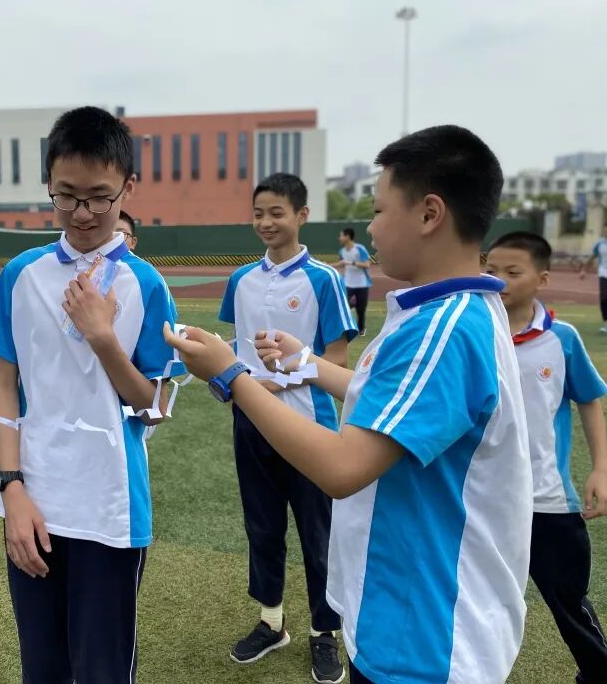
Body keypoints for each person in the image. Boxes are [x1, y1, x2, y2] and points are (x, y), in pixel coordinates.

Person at [166, 125, 531, 684]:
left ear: (429, 213)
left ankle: (318, 630)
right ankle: (279, 619)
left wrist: (231, 374)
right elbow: (388, 399)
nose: (371, 227)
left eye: (380, 210)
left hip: (425, 638)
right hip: (412, 616)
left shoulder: (443, 329)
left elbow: (342, 469)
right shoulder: (457, 312)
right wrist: (308, 362)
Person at [0, 106, 181, 683]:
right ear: (49, 185)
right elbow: (5, 384)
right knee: (42, 669)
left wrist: (104, 339)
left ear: (128, 188)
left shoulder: (146, 284)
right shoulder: (22, 273)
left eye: (99, 197)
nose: (82, 213)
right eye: (66, 196)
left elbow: (155, 408)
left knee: (102, 671)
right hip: (33, 504)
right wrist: (12, 488)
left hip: (110, 511)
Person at [218, 173, 354, 682]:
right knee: (262, 525)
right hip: (252, 423)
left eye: (276, 213)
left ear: (301, 215)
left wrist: (273, 382)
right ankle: (272, 622)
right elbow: (236, 349)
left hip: (309, 424)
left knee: (319, 533)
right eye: (258, 213)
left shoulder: (324, 279)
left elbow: (337, 359)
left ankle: (325, 631)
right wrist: (231, 381)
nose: (266, 222)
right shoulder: (241, 280)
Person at [485, 231, 607, 684]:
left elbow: (589, 399)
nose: (499, 280)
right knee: (480, 600)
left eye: (512, 272)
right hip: (484, 502)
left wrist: (601, 468)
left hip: (547, 501)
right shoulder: (475, 333)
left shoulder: (563, 339)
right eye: (491, 270)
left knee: (568, 600)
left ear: (542, 278)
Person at [334, 227, 373, 336]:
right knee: (343, 307)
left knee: (361, 310)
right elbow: (342, 263)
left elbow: (367, 264)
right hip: (348, 284)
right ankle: (344, 329)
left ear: (347, 236)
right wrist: (327, 265)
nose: (339, 238)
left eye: (341, 236)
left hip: (362, 284)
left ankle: (361, 330)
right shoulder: (342, 251)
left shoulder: (359, 248)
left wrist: (351, 263)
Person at [578, 224, 607, 333]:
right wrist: (584, 270)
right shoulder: (600, 244)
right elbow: (592, 257)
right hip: (604, 273)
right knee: (604, 297)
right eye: (605, 230)